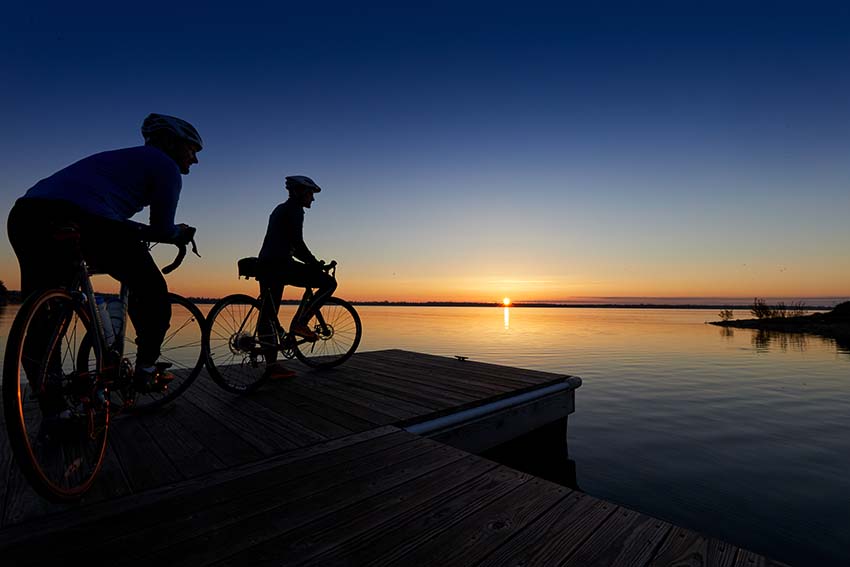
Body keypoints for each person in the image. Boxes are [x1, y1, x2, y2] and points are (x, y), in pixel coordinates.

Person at [7, 113, 202, 401]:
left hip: (27, 214)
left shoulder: (118, 160)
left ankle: (54, 408)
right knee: (151, 290)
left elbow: (114, 219)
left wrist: (141, 230)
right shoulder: (165, 166)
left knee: (45, 314)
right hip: (86, 219)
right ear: (171, 142)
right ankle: (146, 370)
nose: (194, 159)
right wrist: (180, 234)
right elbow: (161, 228)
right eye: (192, 149)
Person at [257, 175, 336, 378]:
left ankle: (271, 366)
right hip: (280, 264)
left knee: (268, 314)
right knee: (328, 283)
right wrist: (314, 263)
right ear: (300, 192)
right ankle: (300, 323)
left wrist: (309, 261)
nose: (313, 199)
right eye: (310, 193)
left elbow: (288, 243)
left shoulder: (279, 209)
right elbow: (297, 243)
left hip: (266, 264)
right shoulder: (295, 210)